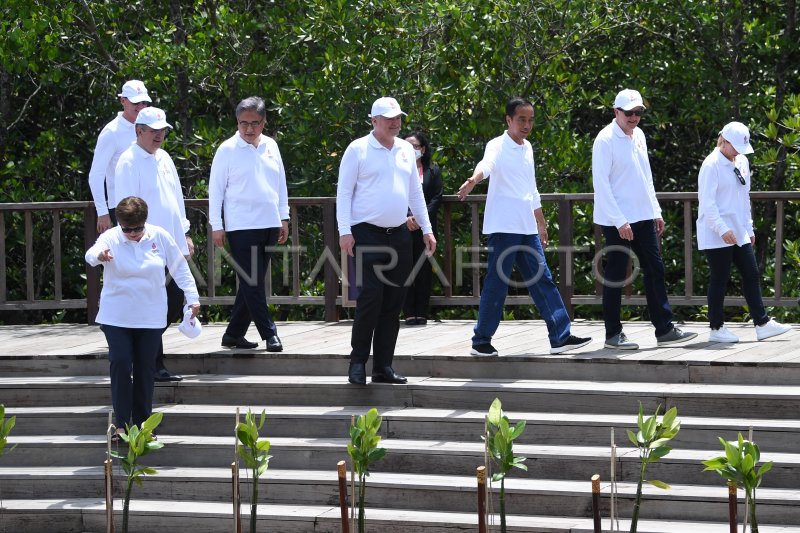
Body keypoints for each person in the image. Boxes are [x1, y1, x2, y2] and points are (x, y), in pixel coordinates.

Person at [457, 97, 591, 356]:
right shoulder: (497, 144)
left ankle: (560, 336)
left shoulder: (528, 148)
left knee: (543, 280)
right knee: (497, 284)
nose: (526, 124)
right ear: (508, 120)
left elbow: (532, 189)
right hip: (503, 227)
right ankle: (481, 341)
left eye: (530, 120)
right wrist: (473, 179)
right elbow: (487, 165)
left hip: (527, 228)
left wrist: (541, 223)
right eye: (521, 119)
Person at [337, 96, 436, 385]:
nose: (396, 122)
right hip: (367, 232)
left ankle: (383, 367)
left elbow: (415, 194)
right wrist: (345, 231)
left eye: (398, 117)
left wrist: (427, 229)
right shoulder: (358, 149)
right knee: (371, 298)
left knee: (394, 302)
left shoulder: (407, 149)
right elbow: (343, 193)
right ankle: (357, 363)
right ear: (374, 121)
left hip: (400, 235)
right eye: (389, 117)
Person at [85, 196, 199, 439]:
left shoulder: (159, 236)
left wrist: (193, 298)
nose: (133, 233)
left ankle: (144, 425)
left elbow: (180, 267)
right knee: (121, 362)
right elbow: (91, 253)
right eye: (128, 229)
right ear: (120, 224)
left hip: (150, 315)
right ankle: (121, 424)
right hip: (116, 316)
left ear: (145, 222)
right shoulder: (112, 237)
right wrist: (100, 256)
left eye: (138, 228)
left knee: (146, 369)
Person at [592, 88, 697, 350]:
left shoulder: (639, 135)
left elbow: (645, 176)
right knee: (617, 274)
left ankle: (664, 329)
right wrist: (619, 221)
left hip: (642, 215)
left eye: (638, 112)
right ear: (616, 112)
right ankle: (613, 334)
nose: (634, 117)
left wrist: (656, 210)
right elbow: (601, 186)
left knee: (655, 269)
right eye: (629, 113)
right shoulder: (604, 140)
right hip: (616, 218)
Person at [115, 107, 193, 381]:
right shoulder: (128, 161)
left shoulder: (165, 158)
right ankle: (152, 364)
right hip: (145, 245)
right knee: (157, 305)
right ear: (139, 131)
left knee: (172, 303)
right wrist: (134, 240)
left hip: (170, 243)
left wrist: (184, 233)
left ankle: (145, 357)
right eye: (153, 131)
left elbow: (177, 200)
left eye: (163, 131)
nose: (159, 136)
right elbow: (126, 206)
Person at [697, 122, 791, 342]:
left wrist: (748, 227)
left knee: (751, 273)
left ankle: (762, 323)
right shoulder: (711, 165)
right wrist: (722, 229)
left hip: (738, 229)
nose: (738, 151)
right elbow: (707, 204)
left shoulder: (742, 161)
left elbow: (744, 197)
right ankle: (716, 329)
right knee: (720, 278)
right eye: (735, 147)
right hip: (716, 231)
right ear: (724, 141)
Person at [209, 96, 289, 351]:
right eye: (243, 123)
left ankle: (233, 334)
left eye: (254, 123)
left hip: (269, 222)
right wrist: (216, 225)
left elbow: (281, 184)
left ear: (264, 122)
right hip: (241, 225)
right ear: (237, 122)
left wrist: (283, 216)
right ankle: (270, 333)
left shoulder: (271, 146)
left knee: (251, 282)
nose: (249, 129)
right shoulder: (227, 150)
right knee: (252, 282)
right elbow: (216, 190)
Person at [88, 80, 152, 233]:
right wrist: (102, 212)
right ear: (123, 101)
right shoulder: (111, 132)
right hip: (123, 207)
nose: (141, 106)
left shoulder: (149, 128)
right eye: (136, 102)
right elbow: (96, 175)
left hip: (148, 203)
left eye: (144, 102)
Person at [402, 130, 443, 326]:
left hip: (426, 229)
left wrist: (420, 218)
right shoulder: (397, 170)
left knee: (424, 270)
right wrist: (406, 218)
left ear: (423, 149)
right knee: (404, 268)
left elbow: (436, 198)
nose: (411, 150)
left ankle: (422, 312)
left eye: (415, 146)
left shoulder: (433, 171)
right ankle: (409, 312)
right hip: (402, 226)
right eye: (407, 146)